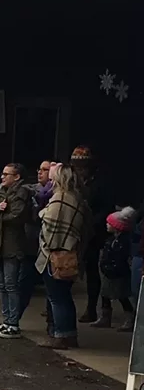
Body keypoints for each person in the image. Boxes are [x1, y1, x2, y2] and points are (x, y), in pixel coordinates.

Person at [37, 163, 89, 350]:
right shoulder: (77, 198)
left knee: (56, 297)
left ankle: (60, 335)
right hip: (70, 251)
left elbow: (50, 224)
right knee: (65, 296)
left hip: (56, 254)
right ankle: (69, 334)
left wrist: (42, 212)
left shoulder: (60, 198)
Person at [0, 163, 34, 338]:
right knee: (2, 285)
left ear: (16, 176)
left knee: (11, 285)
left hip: (12, 243)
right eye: (2, 174)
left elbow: (18, 216)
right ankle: (5, 320)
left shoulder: (22, 192)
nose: (2, 177)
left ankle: (13, 322)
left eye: (6, 174)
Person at [70, 146, 113, 324]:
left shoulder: (100, 184)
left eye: (83, 167)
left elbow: (106, 209)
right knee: (85, 270)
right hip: (81, 231)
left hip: (97, 233)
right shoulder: (75, 183)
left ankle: (101, 308)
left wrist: (91, 221)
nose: (80, 171)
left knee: (98, 272)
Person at [95, 207, 136, 331]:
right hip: (108, 271)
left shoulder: (122, 242)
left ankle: (129, 318)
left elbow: (120, 257)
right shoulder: (112, 240)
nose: (107, 225)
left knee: (122, 295)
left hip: (118, 272)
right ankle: (105, 316)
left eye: (110, 223)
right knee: (105, 294)